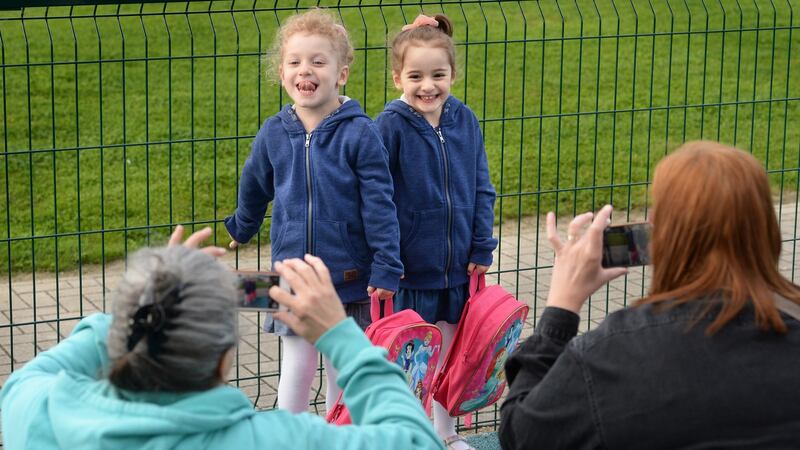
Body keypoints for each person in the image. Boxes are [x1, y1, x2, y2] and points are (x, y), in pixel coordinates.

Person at [0, 226, 443, 450]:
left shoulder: (37, 408)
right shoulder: (269, 440)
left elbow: (29, 378)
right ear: (223, 360)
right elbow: (416, 442)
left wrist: (149, 296)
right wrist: (341, 335)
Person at [499, 141, 800, 449]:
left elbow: (522, 435)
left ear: (660, 232)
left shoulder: (608, 357)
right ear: (766, 227)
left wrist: (561, 307)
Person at [223, 9, 402, 414]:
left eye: (318, 62)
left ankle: (338, 437)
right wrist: (242, 225)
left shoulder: (360, 133)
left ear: (341, 73)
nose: (306, 70)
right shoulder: (274, 131)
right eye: (295, 62)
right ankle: (291, 436)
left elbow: (380, 205)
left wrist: (387, 267)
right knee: (297, 367)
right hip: (294, 276)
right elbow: (255, 184)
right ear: (282, 73)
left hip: (349, 278)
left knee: (343, 368)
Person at [373, 14, 497, 450]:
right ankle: (409, 435)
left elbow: (482, 184)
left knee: (448, 356)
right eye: (416, 76)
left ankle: (445, 433)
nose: (428, 86)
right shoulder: (387, 127)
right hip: (411, 272)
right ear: (396, 78)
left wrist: (483, 243)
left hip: (460, 268)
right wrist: (386, 261)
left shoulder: (465, 120)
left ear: (453, 74)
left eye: (438, 75)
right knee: (411, 362)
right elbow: (378, 198)